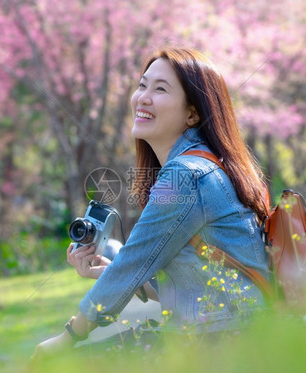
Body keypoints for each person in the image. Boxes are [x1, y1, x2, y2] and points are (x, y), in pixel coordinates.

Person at [33, 47, 270, 357]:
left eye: (160, 89)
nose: (142, 97)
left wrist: (68, 337)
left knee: (57, 361)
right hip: (229, 332)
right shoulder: (206, 165)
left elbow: (132, 263)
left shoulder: (186, 176)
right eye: (143, 85)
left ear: (192, 113)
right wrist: (108, 272)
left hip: (219, 344)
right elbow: (195, 286)